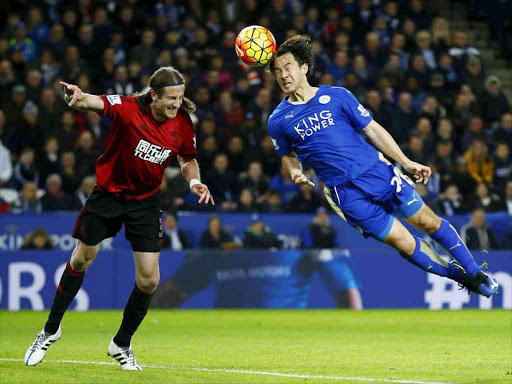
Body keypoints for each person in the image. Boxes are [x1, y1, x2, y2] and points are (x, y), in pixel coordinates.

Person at [266, 35, 498, 302]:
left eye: (287, 67)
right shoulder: (278, 120)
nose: (283, 75)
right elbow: (286, 155)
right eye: (277, 71)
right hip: (344, 193)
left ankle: (475, 272)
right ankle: (459, 276)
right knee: (403, 242)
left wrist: (406, 161)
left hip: (377, 172)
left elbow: (373, 130)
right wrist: (294, 171)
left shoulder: (337, 96)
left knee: (428, 222)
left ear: (304, 67)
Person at [24, 66, 214, 370]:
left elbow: (187, 156)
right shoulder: (128, 109)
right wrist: (79, 96)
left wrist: (194, 182)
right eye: (171, 98)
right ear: (154, 95)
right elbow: (94, 101)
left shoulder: (182, 122)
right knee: (82, 259)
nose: (177, 104)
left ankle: (121, 344)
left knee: (150, 279)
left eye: (180, 98)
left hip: (145, 202)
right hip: (108, 196)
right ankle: (49, 330)